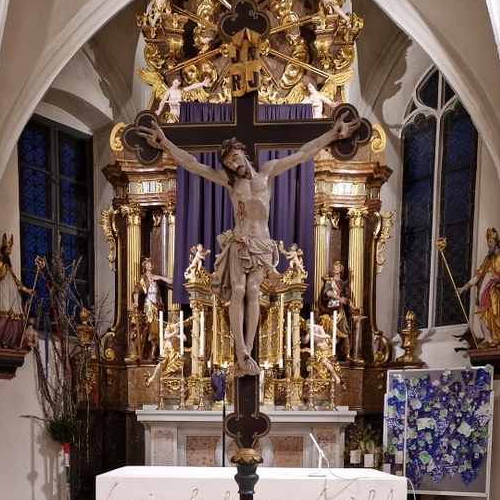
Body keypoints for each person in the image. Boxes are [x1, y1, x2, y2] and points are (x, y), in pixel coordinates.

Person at [141, 115, 354, 374]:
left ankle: (248, 349)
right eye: (228, 162)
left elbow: (302, 154)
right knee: (239, 290)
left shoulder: (268, 172)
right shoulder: (231, 183)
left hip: (262, 244)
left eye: (234, 156)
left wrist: (333, 134)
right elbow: (194, 165)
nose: (233, 163)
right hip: (239, 242)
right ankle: (241, 351)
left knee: (254, 290)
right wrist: (165, 144)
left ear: (242, 151)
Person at [459, 227, 500, 347]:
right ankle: (490, 339)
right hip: (484, 290)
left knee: (497, 313)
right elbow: (479, 275)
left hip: (495, 289)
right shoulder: (487, 258)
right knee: (484, 313)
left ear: (496, 242)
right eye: (487, 242)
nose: (488, 244)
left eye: (490, 242)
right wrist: (465, 287)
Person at [0, 234, 34, 349]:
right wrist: (0, 273)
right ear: (3, 249)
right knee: (3, 315)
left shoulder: (8, 264)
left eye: (10, 249)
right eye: (8, 248)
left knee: (14, 316)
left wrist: (26, 290)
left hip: (12, 292)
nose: (10, 251)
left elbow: (15, 280)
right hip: (2, 291)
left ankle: (9, 341)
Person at [135, 257, 172, 361]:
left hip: (157, 307)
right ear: (145, 266)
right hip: (148, 305)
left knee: (156, 329)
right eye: (148, 264)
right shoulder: (143, 279)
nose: (150, 265)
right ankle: (142, 351)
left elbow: (171, 281)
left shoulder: (157, 278)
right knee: (146, 327)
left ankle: (153, 352)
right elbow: (137, 291)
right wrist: (136, 302)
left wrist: (160, 277)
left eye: (151, 263)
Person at [319, 259, 352, 359]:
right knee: (330, 333)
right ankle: (329, 355)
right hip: (331, 310)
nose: (335, 269)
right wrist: (339, 298)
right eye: (334, 267)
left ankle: (347, 354)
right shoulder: (330, 281)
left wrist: (354, 307)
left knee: (345, 332)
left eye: (337, 267)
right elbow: (328, 293)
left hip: (340, 311)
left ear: (340, 270)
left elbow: (347, 298)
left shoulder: (343, 283)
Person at [146, 322, 185, 388]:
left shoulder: (179, 329)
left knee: (180, 362)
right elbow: (166, 336)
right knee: (163, 361)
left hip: (175, 350)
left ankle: (175, 375)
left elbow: (184, 338)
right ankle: (154, 376)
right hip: (167, 349)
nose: (177, 325)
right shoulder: (169, 326)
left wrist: (177, 335)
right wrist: (174, 333)